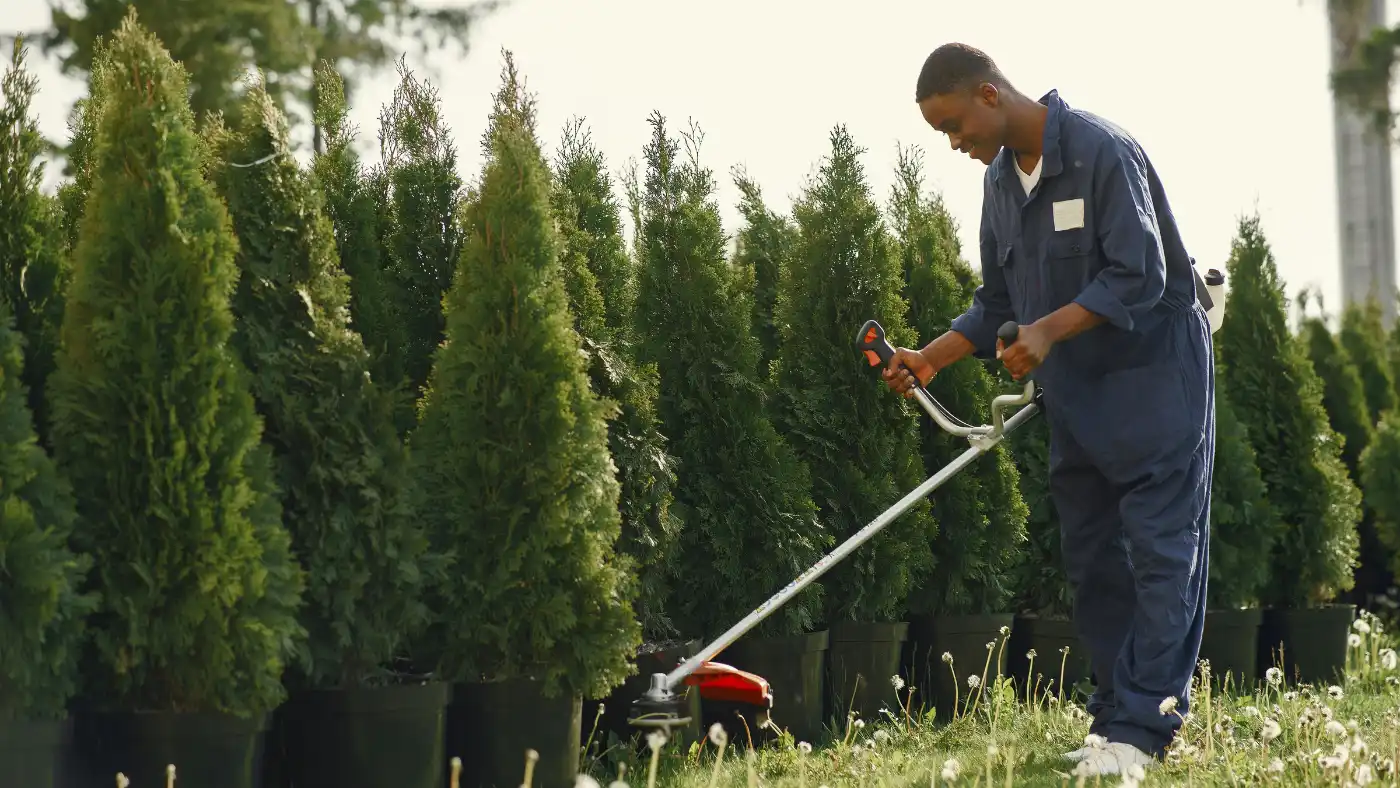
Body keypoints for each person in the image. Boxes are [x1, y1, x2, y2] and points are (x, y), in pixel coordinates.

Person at [883, 43, 1215, 777]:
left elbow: (1140, 274)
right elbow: (998, 303)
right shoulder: (1001, 183)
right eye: (942, 133)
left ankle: (1145, 731)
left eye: (955, 124)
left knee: (1163, 555)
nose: (954, 143)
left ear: (990, 94)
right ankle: (1110, 723)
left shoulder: (1102, 151)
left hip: (1155, 378)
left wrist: (1046, 331)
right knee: (1094, 559)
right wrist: (931, 356)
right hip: (1079, 392)